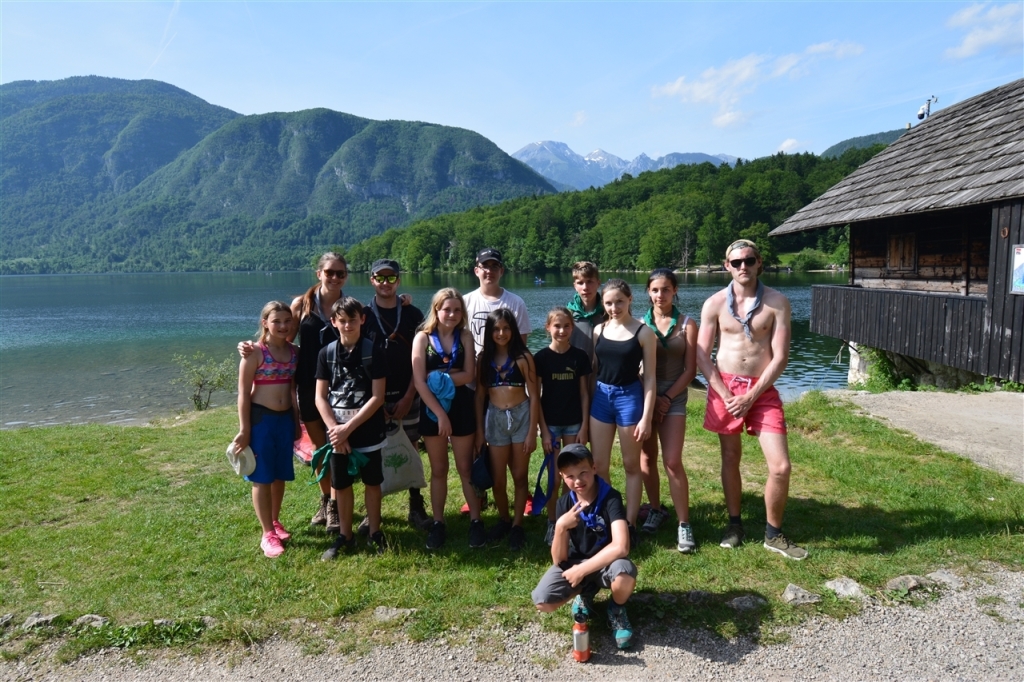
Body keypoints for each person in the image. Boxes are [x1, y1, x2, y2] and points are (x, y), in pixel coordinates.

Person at [696, 239, 807, 560]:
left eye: (748, 260)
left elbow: (781, 356)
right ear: (726, 266)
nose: (742, 266)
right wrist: (726, 394)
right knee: (730, 457)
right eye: (736, 262)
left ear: (759, 262)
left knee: (781, 466)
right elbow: (702, 355)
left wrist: (751, 396)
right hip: (725, 389)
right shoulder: (714, 304)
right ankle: (734, 525)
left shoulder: (777, 302)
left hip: (762, 389)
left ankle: (773, 534)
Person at [531, 443, 636, 651]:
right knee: (543, 602)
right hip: (575, 562)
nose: (578, 481)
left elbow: (621, 547)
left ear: (594, 468)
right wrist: (560, 527)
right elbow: (559, 560)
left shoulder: (611, 498)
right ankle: (585, 593)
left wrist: (582, 570)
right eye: (570, 476)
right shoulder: (563, 503)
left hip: (607, 563)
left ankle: (616, 610)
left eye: (583, 473)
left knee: (625, 573)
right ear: (562, 477)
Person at [315, 297, 389, 559]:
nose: (348, 325)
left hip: (367, 430)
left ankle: (375, 532)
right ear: (333, 322)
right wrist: (336, 430)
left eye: (353, 320)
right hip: (336, 432)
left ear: (362, 319)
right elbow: (320, 397)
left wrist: (348, 429)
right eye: (342, 321)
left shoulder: (374, 351)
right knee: (342, 483)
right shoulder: (326, 354)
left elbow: (378, 397)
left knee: (372, 482)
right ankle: (345, 535)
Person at [360, 259, 430, 531]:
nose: (385, 283)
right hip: (372, 398)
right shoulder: (363, 315)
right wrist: (373, 400)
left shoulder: (413, 314)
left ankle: (416, 505)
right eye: (380, 278)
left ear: (398, 281)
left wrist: (409, 395)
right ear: (372, 280)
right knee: (372, 452)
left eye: (391, 278)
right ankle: (372, 512)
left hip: (407, 393)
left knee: (411, 447)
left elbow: (422, 359)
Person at [412, 288, 484, 550]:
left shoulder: (465, 336)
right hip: (433, 409)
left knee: (465, 469)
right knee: (439, 469)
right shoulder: (422, 338)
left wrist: (437, 378)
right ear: (436, 310)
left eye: (457, 310)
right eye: (446, 309)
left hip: (462, 405)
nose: (452, 314)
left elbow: (469, 375)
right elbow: (419, 382)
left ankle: (476, 521)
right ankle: (438, 523)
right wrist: (441, 414)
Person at [231, 301, 300, 558]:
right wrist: (244, 429)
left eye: (287, 321)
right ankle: (267, 533)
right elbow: (242, 393)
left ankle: (274, 521)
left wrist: (296, 421)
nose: (283, 326)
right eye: (276, 321)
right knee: (262, 477)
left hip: (284, 420)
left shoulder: (295, 352)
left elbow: (292, 390)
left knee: (279, 475)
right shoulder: (255, 353)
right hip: (261, 420)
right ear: (265, 323)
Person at [590, 279, 657, 534]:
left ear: (630, 299)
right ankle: (609, 517)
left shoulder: (643, 332)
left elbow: (650, 378)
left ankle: (629, 523)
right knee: (599, 465)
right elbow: (596, 368)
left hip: (629, 397)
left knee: (631, 464)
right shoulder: (599, 330)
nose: (614, 307)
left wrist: (646, 417)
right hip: (601, 397)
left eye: (619, 301)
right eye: (608, 303)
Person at [638, 269, 698, 553]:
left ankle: (684, 523)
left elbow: (690, 370)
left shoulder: (687, 324)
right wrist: (653, 399)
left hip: (673, 399)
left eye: (665, 289)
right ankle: (655, 509)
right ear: (648, 292)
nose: (660, 295)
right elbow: (633, 367)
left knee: (672, 461)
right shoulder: (639, 324)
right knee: (647, 458)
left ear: (675, 290)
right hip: (645, 398)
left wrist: (667, 398)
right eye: (655, 290)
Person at [474, 309, 539, 551]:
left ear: (513, 330)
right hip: (495, 419)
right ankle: (504, 518)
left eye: (506, 328)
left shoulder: (523, 357)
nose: (501, 333)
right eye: (496, 329)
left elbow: (534, 396)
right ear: (489, 332)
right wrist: (480, 431)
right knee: (498, 479)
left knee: (520, 476)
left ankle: (517, 525)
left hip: (521, 417)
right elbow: (480, 396)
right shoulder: (484, 359)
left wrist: (532, 432)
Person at [534, 307, 592, 545]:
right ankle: (552, 522)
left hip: (573, 424)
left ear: (572, 328)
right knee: (555, 479)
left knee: (573, 477)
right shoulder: (541, 358)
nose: (561, 330)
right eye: (557, 326)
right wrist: (544, 430)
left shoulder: (580, 357)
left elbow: (584, 394)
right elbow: (536, 396)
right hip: (551, 425)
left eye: (566, 326)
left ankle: (571, 521)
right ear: (548, 327)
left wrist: (584, 426)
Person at [463, 248, 531, 353]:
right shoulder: (465, 301)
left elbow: (521, 346)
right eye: (485, 266)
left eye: (494, 266)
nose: (489, 271)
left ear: (501, 271)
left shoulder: (517, 303)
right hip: (473, 362)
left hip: (507, 363)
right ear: (476, 271)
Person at [566, 261, 605, 358]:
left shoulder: (608, 313)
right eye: (580, 283)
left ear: (598, 283)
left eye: (589, 282)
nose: (585, 287)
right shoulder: (568, 314)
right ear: (575, 286)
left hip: (603, 367)